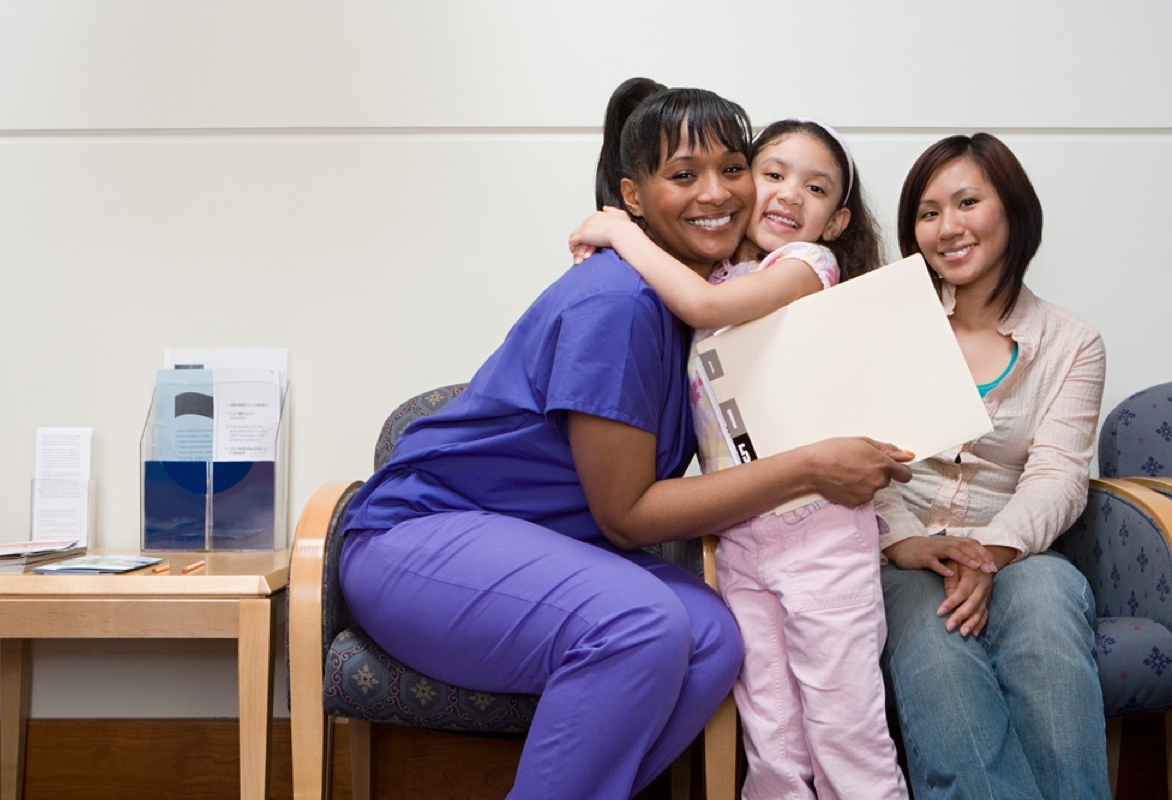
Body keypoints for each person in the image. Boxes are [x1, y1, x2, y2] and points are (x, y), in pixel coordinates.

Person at [339, 77, 913, 800]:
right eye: (683, 175)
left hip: (536, 549)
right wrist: (811, 468)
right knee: (643, 626)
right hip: (418, 541)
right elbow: (627, 516)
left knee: (712, 638)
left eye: (732, 168)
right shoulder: (620, 303)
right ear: (632, 197)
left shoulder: (706, 309)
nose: (717, 193)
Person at [570, 119, 916, 799]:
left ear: (837, 218)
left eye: (815, 187)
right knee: (773, 741)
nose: (790, 194)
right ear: (742, 182)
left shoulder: (808, 267)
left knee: (846, 734)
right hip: (741, 541)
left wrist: (620, 231)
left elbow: (704, 305)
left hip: (823, 537)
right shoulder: (722, 267)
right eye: (773, 173)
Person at [875, 132, 1111, 799]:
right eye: (927, 212)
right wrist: (914, 543)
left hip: (1017, 548)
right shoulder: (892, 327)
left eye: (966, 202)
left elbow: (1058, 477)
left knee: (1047, 599)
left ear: (1011, 207)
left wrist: (988, 552)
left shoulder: (1073, 342)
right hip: (903, 552)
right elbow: (860, 459)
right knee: (931, 624)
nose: (947, 227)